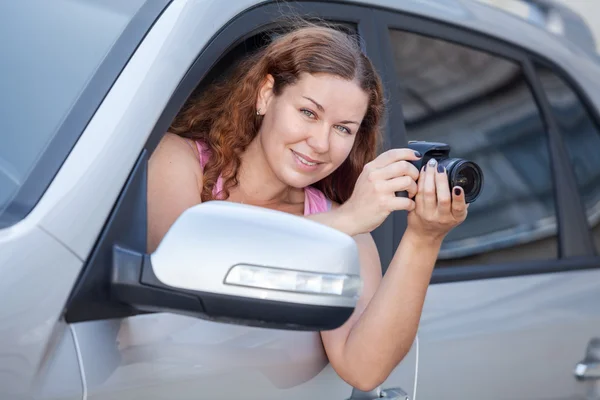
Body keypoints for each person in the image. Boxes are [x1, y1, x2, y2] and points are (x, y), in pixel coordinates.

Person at [147, 20, 468, 392]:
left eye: (343, 128)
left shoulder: (346, 230)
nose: (320, 143)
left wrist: (424, 238)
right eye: (309, 113)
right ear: (266, 95)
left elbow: (363, 369)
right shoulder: (178, 160)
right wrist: (344, 220)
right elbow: (186, 266)